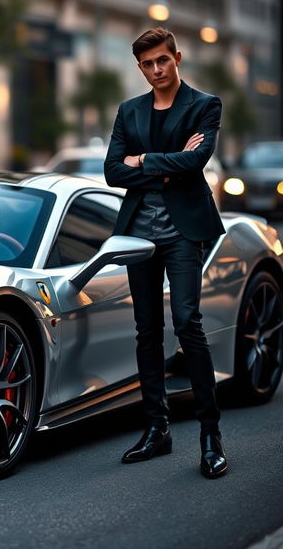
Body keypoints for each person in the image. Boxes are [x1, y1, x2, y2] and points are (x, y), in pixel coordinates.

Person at [104, 27, 228, 478]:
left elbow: (196, 162)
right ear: (139, 67)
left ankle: (210, 436)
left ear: (177, 57)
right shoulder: (129, 111)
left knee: (187, 324)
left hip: (182, 233)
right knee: (147, 330)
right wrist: (166, 160)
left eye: (163, 60)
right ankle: (158, 429)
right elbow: (112, 172)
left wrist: (144, 160)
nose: (156, 70)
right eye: (147, 64)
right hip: (139, 234)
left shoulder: (204, 105)